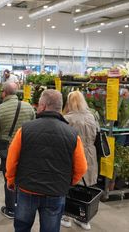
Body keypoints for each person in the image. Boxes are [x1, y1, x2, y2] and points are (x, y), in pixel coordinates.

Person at [5, 89, 87, 232]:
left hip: (27, 189)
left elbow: (12, 160)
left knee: (22, 228)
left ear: (42, 106)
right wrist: (68, 182)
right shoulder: (73, 135)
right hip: (55, 192)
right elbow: (81, 167)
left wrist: (11, 181)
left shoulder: (25, 130)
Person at [0, 82, 35, 218]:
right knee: (23, 177)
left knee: (10, 178)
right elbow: (33, 128)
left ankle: (11, 209)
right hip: (25, 149)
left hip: (7, 150)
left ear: (4, 93)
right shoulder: (29, 107)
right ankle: (23, 206)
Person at [61, 90, 98, 230]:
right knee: (86, 186)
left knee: (71, 185)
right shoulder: (91, 116)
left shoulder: (67, 118)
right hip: (89, 153)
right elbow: (95, 134)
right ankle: (84, 218)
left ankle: (66, 217)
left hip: (73, 153)